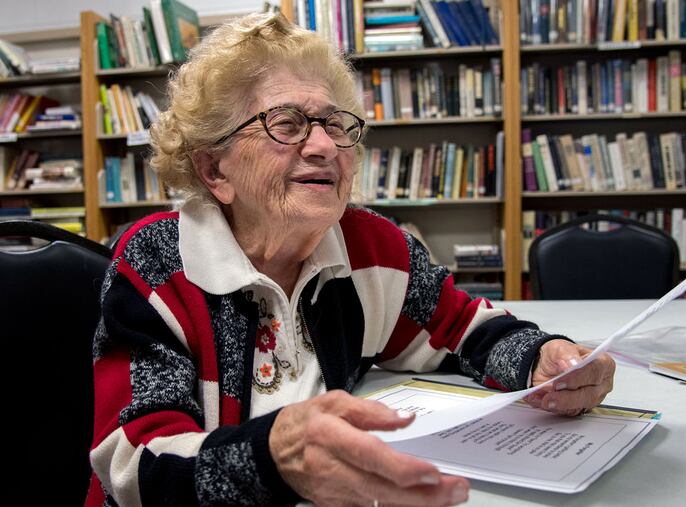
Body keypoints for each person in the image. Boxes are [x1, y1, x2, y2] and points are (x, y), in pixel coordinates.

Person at [87, 12, 615, 507]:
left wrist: (544, 360)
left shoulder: (371, 246)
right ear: (214, 171)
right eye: (287, 124)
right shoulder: (158, 265)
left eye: (335, 124)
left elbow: (461, 328)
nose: (324, 146)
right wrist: (272, 459)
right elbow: (132, 466)